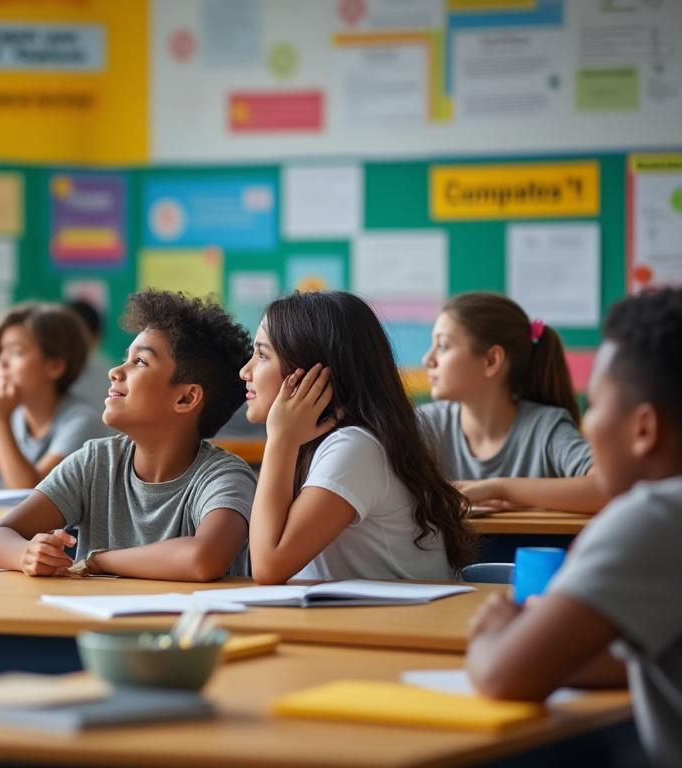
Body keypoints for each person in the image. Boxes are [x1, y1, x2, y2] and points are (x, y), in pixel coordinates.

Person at [467, 288, 682, 766]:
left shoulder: (654, 518)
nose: (587, 427)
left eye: (597, 405)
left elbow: (503, 677)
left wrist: (497, 633)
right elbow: (634, 664)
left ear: (644, 428)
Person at [0, 290, 256, 581]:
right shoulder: (97, 461)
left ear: (186, 399)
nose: (115, 371)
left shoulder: (224, 476)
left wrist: (100, 561)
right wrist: (26, 553)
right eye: (126, 358)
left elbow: (203, 559)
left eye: (140, 362)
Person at [238, 291, 475, 583]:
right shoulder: (318, 445)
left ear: (311, 374)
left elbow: (267, 567)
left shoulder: (355, 448)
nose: (245, 371)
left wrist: (280, 440)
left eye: (262, 355)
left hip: (401, 625)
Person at [419, 293, 605, 512]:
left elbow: (607, 488)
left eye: (442, 346)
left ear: (491, 360)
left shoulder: (546, 427)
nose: (427, 359)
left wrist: (499, 488)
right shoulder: (425, 424)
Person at [0, 302, 107, 489]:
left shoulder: (81, 421)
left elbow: (32, 494)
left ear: (54, 366)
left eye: (16, 352)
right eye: (0, 352)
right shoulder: (10, 414)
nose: (2, 362)